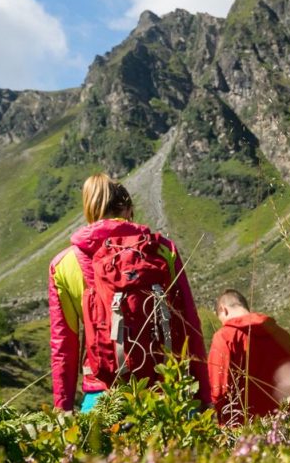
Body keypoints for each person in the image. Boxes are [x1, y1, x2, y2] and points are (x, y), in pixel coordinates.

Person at [48, 173, 209, 412]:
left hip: (103, 394)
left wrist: (63, 409)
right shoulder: (163, 250)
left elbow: (64, 346)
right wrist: (204, 398)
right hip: (166, 392)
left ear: (89, 209)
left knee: (96, 449)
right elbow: (189, 326)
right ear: (128, 208)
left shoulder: (63, 264)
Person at [207, 289, 290, 423]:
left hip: (242, 429)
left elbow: (219, 390)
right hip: (284, 424)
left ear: (224, 310)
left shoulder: (224, 337)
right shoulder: (282, 335)